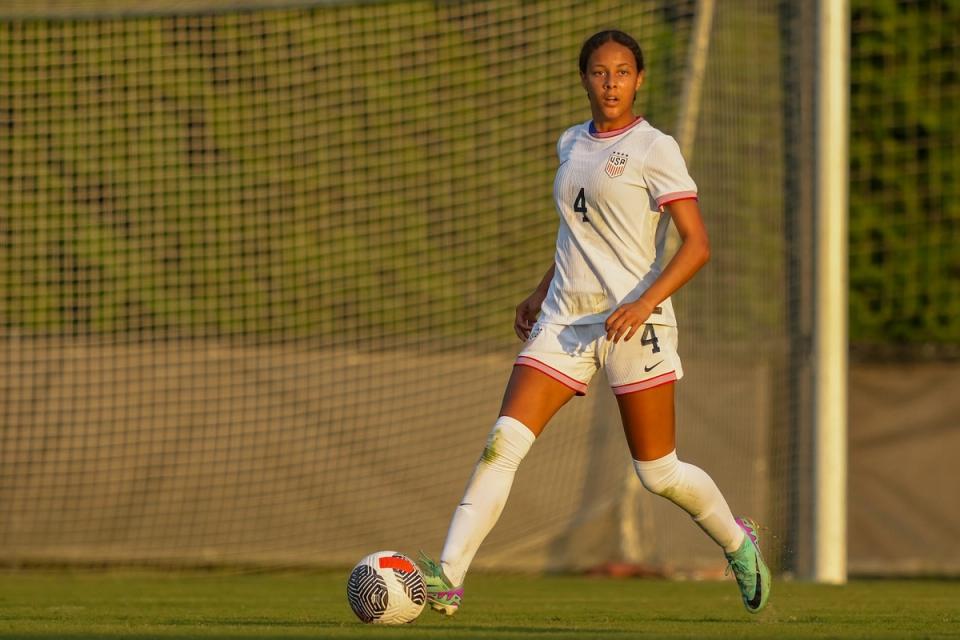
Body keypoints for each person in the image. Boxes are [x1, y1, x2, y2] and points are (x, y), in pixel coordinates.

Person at [417, 29, 771, 615]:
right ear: (583, 77)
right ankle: (448, 575)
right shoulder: (569, 143)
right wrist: (539, 289)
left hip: (635, 325)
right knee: (501, 444)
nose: (611, 83)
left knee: (658, 473)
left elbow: (697, 245)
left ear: (639, 80)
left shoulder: (655, 147)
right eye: (600, 72)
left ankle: (738, 542)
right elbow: (578, 234)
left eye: (623, 72)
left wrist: (643, 301)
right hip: (564, 320)